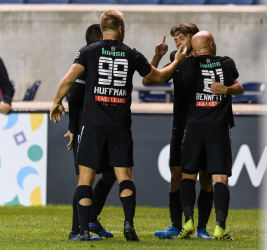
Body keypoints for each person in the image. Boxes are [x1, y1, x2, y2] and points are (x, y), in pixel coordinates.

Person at [50, 10, 187, 241]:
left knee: (85, 178)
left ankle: (82, 231)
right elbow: (159, 77)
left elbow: (67, 81)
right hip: (119, 126)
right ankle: (128, 225)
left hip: (92, 125)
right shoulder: (131, 54)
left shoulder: (88, 51)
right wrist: (177, 61)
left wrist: (56, 102)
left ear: (103, 28)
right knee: (125, 177)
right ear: (121, 29)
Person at [142, 23, 236, 239]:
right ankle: (178, 225)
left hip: (207, 124)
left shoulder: (212, 63)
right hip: (182, 125)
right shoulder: (178, 59)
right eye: (175, 40)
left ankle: (202, 227)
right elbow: (148, 80)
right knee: (177, 175)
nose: (178, 43)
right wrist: (157, 57)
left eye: (182, 38)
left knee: (205, 177)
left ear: (195, 39)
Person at [176, 31, 243, 240]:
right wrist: (225, 90)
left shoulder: (186, 64)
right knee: (219, 178)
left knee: (188, 175)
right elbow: (239, 88)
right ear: (212, 45)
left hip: (194, 126)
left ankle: (187, 221)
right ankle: (220, 227)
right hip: (218, 127)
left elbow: (170, 63)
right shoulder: (226, 62)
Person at [65, 24, 114, 241]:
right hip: (86, 130)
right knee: (84, 180)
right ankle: (76, 230)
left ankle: (91, 219)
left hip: (102, 128)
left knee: (111, 173)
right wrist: (73, 128)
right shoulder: (86, 61)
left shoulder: (98, 61)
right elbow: (73, 97)